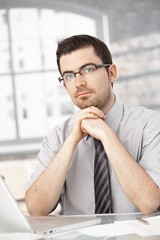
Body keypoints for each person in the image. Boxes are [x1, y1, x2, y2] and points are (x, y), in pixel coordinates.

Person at [25, 34, 160, 216]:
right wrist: (71, 141)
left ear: (111, 73)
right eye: (69, 76)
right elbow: (35, 209)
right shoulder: (57, 137)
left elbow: (150, 202)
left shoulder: (150, 125)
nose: (79, 83)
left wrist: (107, 135)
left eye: (88, 70)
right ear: (65, 86)